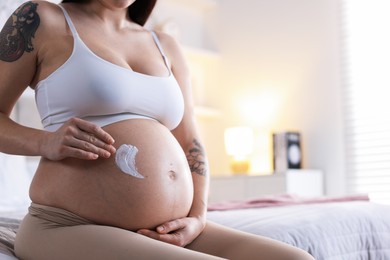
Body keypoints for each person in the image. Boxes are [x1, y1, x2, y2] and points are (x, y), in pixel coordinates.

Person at [0, 0, 315, 259]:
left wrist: (197, 217)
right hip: (68, 225)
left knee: (297, 259)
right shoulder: (41, 19)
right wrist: (46, 142)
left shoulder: (165, 45)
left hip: (165, 229)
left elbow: (191, 141)